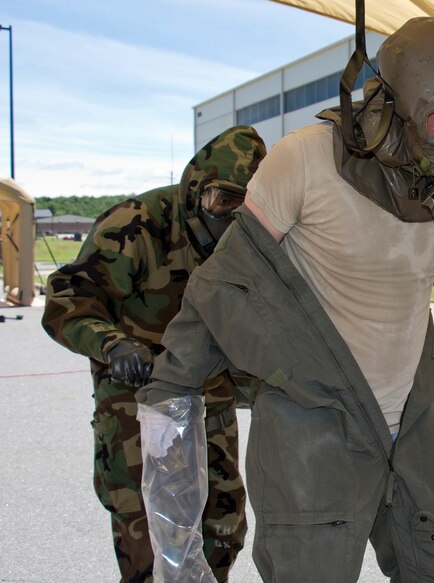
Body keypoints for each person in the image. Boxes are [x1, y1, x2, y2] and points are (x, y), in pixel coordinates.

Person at [136, 17, 434, 582]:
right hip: (316, 418)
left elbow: (405, 287)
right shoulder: (305, 161)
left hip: (411, 415)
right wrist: (169, 402)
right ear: (401, 106)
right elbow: (223, 284)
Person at [41, 125, 267, 583]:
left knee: (222, 525)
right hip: (137, 403)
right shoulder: (137, 225)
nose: (228, 215)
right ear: (196, 188)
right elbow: (69, 300)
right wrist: (112, 344)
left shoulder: (252, 241)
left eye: (242, 206)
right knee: (148, 534)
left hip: (208, 398)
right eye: (221, 200)